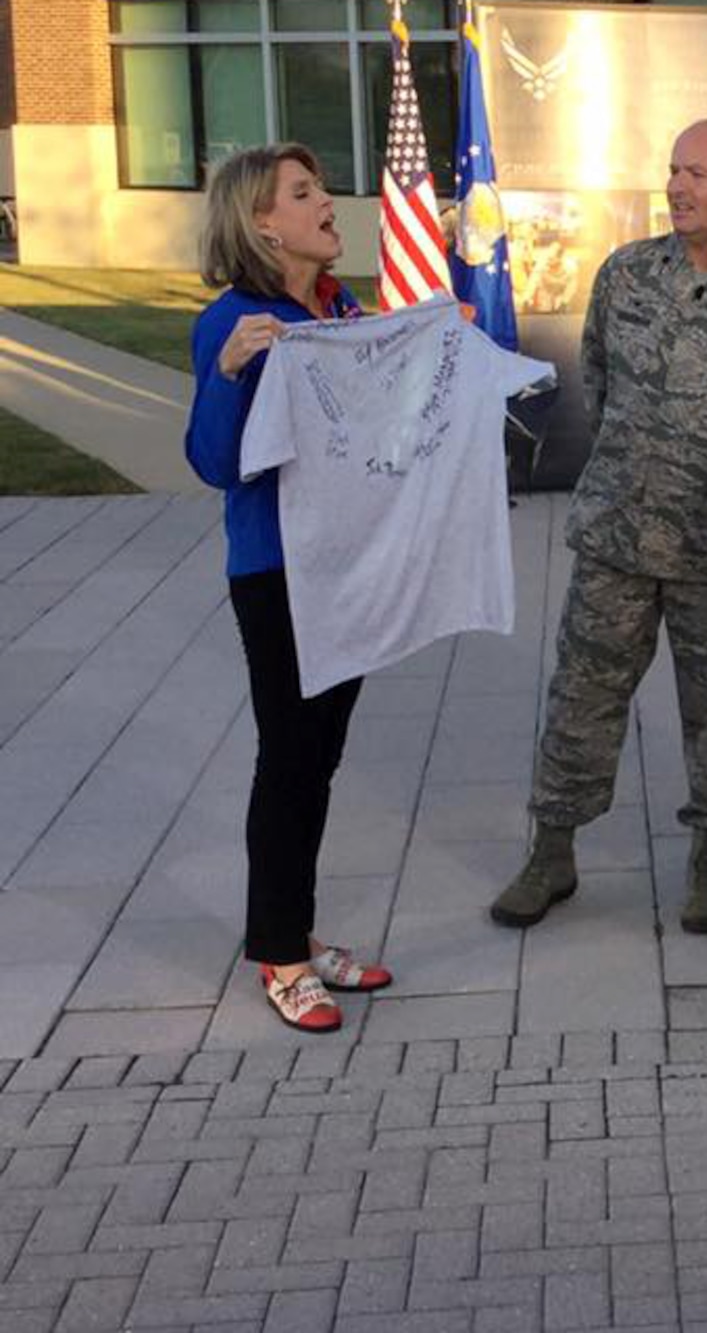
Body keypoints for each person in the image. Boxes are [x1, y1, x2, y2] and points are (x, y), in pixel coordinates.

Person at [490, 120, 707, 934]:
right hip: (619, 540)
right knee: (581, 695)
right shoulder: (627, 273)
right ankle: (552, 850)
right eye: (672, 170)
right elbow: (598, 383)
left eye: (698, 173)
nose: (676, 186)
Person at [184, 144, 392, 1033]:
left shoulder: (337, 307)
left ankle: (296, 932)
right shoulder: (234, 319)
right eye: (303, 193)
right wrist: (230, 371)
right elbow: (215, 463)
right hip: (276, 573)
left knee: (320, 759)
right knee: (290, 758)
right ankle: (278, 951)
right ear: (260, 221)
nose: (327, 202)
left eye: (321, 187)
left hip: (346, 565)